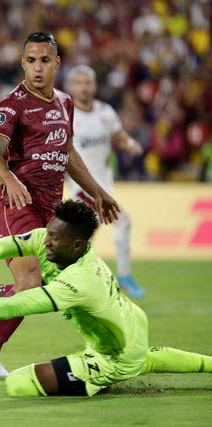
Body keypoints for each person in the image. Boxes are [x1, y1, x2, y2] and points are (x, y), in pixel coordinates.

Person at [0, 200, 212, 397]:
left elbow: (17, 304)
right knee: (144, 355)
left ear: (77, 246)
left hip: (113, 355)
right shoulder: (53, 243)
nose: (46, 242)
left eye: (55, 238)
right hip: (132, 324)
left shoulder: (78, 282)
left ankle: (120, 370)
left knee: (18, 384)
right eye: (49, 233)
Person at [0, 31, 120, 377]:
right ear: (23, 63)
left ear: (56, 63)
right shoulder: (13, 103)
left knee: (54, 286)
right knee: (32, 281)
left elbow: (66, 153)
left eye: (44, 60)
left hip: (52, 212)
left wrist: (97, 191)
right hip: (16, 205)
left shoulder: (64, 103)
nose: (37, 68)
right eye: (30, 60)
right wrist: (10, 180)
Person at [65, 65, 146, 298]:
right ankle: (124, 277)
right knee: (122, 222)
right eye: (78, 82)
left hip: (104, 187)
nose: (83, 86)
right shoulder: (67, 114)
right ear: (71, 87)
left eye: (87, 82)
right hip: (83, 189)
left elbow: (118, 135)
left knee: (78, 239)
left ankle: (64, 281)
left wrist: (129, 144)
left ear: (94, 85)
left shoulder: (105, 112)